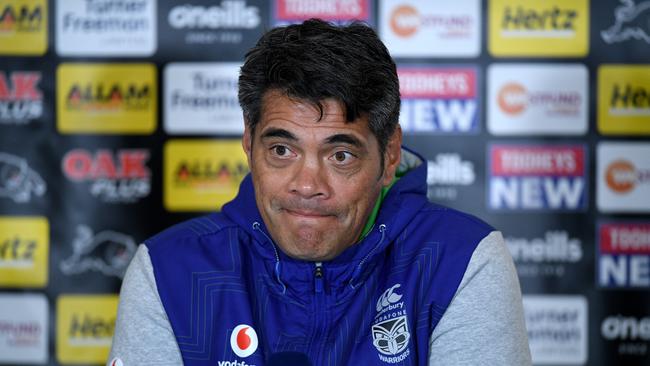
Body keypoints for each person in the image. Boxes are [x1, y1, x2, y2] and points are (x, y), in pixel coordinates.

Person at [108, 19, 531, 366]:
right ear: (248, 146)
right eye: (281, 150)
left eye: (341, 155)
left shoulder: (460, 261)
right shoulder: (168, 271)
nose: (308, 185)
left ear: (389, 155)